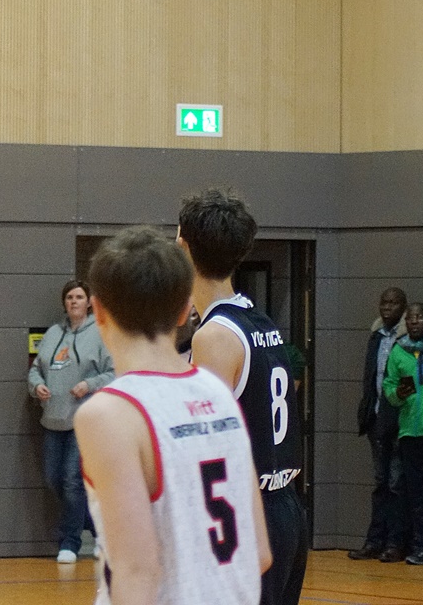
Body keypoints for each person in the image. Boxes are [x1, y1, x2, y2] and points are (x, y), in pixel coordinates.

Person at [74, 225, 271, 605]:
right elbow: (259, 551)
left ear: (98, 310)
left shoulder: (108, 413)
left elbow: (138, 572)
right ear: (185, 309)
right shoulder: (217, 391)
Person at [178, 188, 308, 605]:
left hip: (250, 513)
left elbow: (206, 447)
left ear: (183, 246)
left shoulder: (214, 336)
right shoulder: (257, 318)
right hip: (284, 506)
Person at [26, 279, 115, 563]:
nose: (74, 302)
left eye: (79, 297)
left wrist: (89, 384)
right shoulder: (54, 333)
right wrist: (36, 385)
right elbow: (36, 370)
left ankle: (70, 541)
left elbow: (114, 373)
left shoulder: (101, 333)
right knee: (54, 479)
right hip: (53, 417)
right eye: (69, 298)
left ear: (89, 302)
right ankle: (96, 526)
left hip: (84, 420)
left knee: (72, 480)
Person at [381, 302, 423, 566]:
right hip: (410, 432)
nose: (414, 322)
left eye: (419, 317)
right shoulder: (399, 351)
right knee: (418, 495)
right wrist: (397, 394)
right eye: (410, 319)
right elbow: (389, 386)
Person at [350, 287, 409, 562]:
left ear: (403, 307)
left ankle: (396, 543)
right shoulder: (376, 335)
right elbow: (370, 378)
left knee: (397, 484)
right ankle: (375, 541)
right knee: (380, 484)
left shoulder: (409, 337)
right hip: (375, 419)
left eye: (393, 303)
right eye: (383, 302)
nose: (387, 307)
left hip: (399, 421)